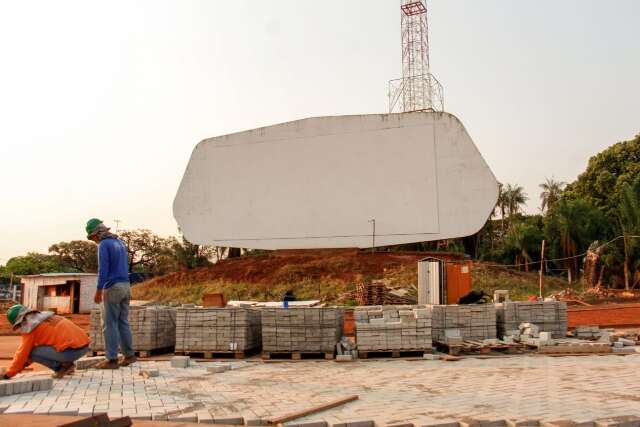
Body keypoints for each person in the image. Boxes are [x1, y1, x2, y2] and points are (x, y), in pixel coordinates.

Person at [86, 218, 136, 369]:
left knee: (109, 324)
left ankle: (112, 359)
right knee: (123, 322)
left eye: (92, 237)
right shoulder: (119, 242)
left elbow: (103, 270)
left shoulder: (104, 245)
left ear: (97, 233)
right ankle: (129, 356)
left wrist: (99, 290)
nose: (93, 241)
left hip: (112, 287)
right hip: (126, 285)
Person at [3, 304, 89, 379]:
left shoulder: (30, 328)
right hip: (84, 346)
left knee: (32, 352)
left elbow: (23, 353)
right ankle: (67, 365)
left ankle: (60, 368)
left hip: (71, 352)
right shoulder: (45, 316)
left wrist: (8, 374)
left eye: (18, 325)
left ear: (21, 320)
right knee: (36, 350)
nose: (20, 327)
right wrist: (24, 364)